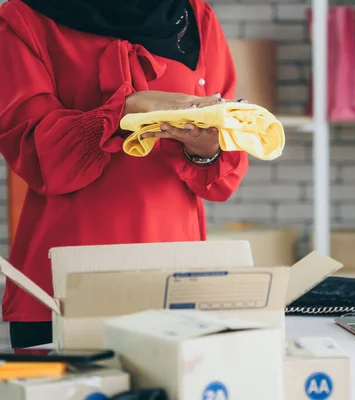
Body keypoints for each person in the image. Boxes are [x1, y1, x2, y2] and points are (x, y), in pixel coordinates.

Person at [0, 0, 248, 348]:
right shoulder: (25, 18)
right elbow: (37, 158)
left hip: (175, 278)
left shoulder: (194, 16)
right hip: (64, 284)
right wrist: (124, 111)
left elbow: (226, 169)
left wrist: (205, 148)